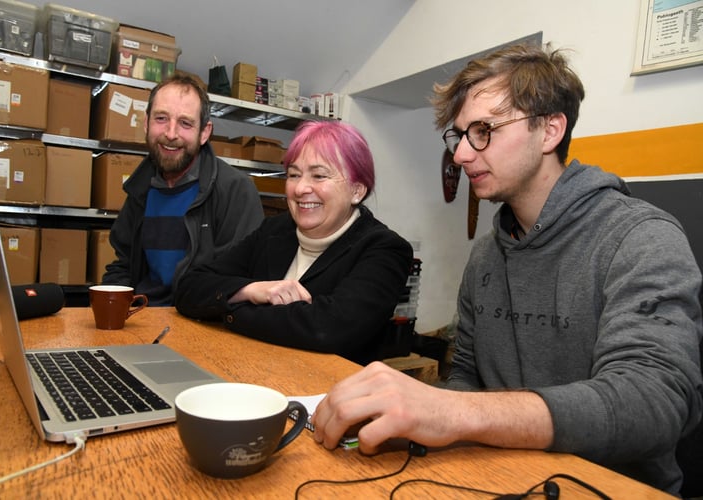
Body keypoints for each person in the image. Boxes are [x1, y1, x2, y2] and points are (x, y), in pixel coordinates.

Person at [311, 42, 703, 494]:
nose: (460, 155)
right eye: (460, 135)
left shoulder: (641, 238)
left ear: (551, 130)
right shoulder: (485, 257)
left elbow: (654, 402)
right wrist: (411, 414)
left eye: (484, 130)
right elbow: (465, 380)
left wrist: (450, 412)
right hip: (498, 478)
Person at [175, 120, 414, 365]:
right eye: (293, 175)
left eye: (319, 175)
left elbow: (329, 330)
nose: (300, 188)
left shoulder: (384, 249)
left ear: (357, 190)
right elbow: (189, 287)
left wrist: (231, 310)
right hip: (251, 372)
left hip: (325, 393)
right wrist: (250, 291)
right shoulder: (275, 231)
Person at [102, 73, 264, 305]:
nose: (170, 134)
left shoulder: (235, 191)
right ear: (146, 123)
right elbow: (124, 264)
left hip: (205, 323)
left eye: (185, 123)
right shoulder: (140, 189)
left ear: (204, 133)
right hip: (144, 317)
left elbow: (237, 283)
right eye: (161, 118)